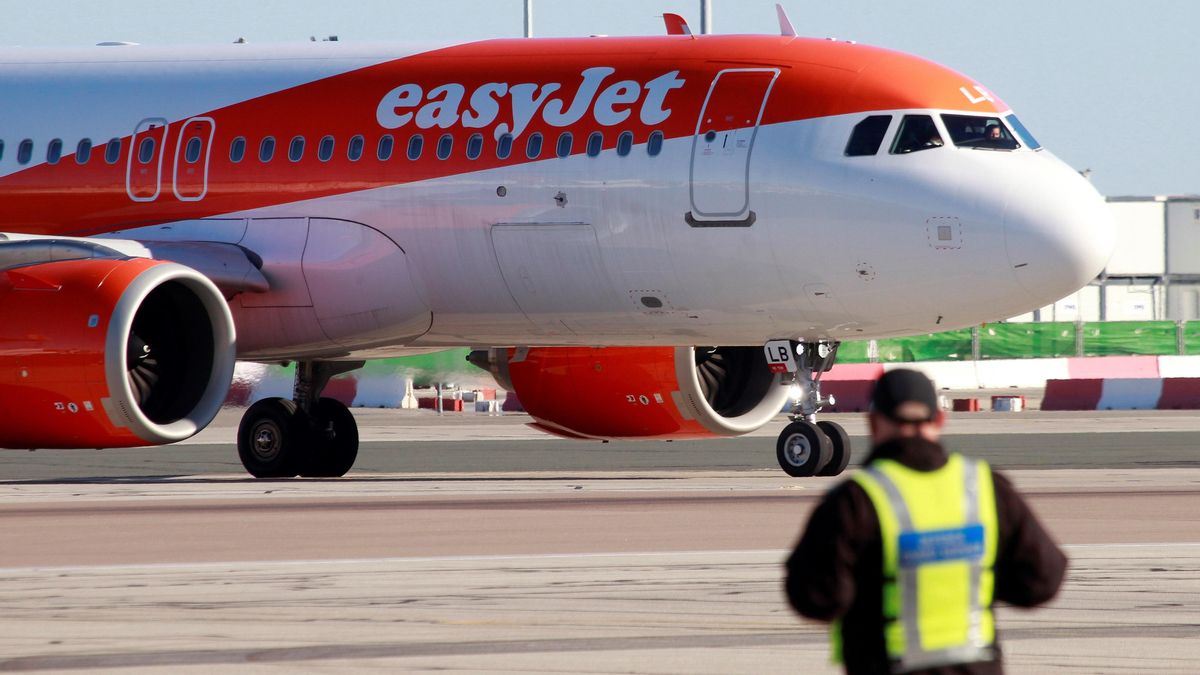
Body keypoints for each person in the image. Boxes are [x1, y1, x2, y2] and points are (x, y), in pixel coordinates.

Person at [785, 369, 1067, 674]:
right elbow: (1041, 582)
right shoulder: (985, 487)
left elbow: (816, 598)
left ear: (874, 423)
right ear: (940, 420)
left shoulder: (856, 501)